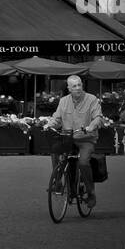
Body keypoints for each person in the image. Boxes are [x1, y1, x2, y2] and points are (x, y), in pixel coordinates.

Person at [45, 74, 102, 207]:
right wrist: (49, 125)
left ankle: (91, 193)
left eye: (79, 85)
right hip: (68, 137)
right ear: (69, 88)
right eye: (74, 86)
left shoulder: (91, 99)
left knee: (83, 163)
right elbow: (57, 118)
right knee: (54, 151)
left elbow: (97, 118)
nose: (78, 88)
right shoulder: (64, 101)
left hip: (86, 138)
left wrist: (91, 127)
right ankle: (58, 182)